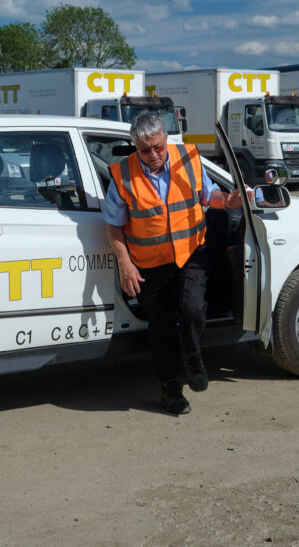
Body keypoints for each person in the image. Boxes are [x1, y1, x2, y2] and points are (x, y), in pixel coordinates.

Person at [104, 113, 245, 415]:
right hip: (150, 265)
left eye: (157, 147)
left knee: (194, 309)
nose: (153, 155)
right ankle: (171, 390)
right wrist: (125, 264)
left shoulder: (189, 158)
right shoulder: (122, 175)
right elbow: (114, 227)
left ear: (166, 139)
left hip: (190, 253)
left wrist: (230, 199)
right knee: (162, 328)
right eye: (144, 150)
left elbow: (209, 196)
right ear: (135, 147)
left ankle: (193, 357)